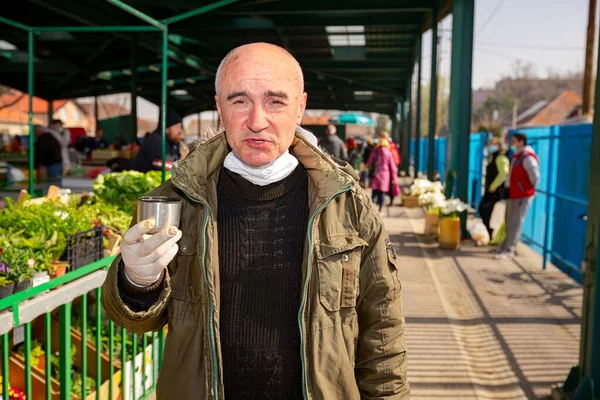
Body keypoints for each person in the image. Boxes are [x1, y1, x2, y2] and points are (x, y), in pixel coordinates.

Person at [102, 42, 409, 399]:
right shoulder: (176, 201)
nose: (257, 121)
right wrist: (137, 281)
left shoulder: (348, 207)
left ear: (300, 107)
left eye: (275, 101)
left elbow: (382, 336)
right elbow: (136, 320)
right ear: (219, 107)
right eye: (239, 101)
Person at [495, 132, 540, 259]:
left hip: (522, 195)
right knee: (509, 221)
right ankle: (505, 246)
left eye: (514, 141)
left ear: (521, 142)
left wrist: (524, 188)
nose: (512, 144)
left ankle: (510, 250)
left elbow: (535, 177)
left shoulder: (527, 157)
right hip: (514, 193)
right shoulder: (518, 156)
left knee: (516, 222)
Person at [132, 108, 183, 173]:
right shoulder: (156, 140)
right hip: (144, 180)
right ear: (167, 128)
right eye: (177, 127)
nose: (180, 131)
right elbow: (167, 166)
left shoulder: (171, 141)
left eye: (180, 127)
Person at [478, 138, 510, 239]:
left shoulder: (500, 158)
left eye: (493, 144)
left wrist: (493, 186)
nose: (490, 146)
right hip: (491, 189)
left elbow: (504, 174)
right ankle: (488, 232)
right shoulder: (493, 157)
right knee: (486, 210)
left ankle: (489, 231)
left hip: (495, 190)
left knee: (483, 209)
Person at [368, 131, 399, 216]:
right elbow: (392, 166)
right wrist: (394, 177)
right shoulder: (388, 153)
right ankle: (381, 209)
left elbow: (370, 162)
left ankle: (372, 207)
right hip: (385, 175)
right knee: (382, 193)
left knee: (374, 192)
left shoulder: (375, 151)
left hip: (376, 173)